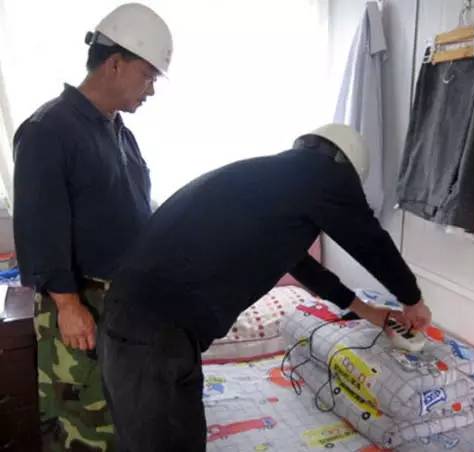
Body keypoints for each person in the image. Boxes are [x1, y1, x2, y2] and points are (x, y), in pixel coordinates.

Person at [99, 123, 432, 452]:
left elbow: (301, 265)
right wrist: (413, 300)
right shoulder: (324, 173)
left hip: (143, 323)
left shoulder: (276, 180)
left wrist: (366, 310)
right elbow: (371, 241)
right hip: (152, 330)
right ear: (348, 168)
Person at [12, 4, 172, 450]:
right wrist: (67, 305)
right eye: (148, 76)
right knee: (84, 425)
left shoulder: (118, 131)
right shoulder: (49, 129)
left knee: (120, 417)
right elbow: (39, 225)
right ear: (114, 63)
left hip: (120, 302)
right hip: (80, 302)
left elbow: (132, 208)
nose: (151, 90)